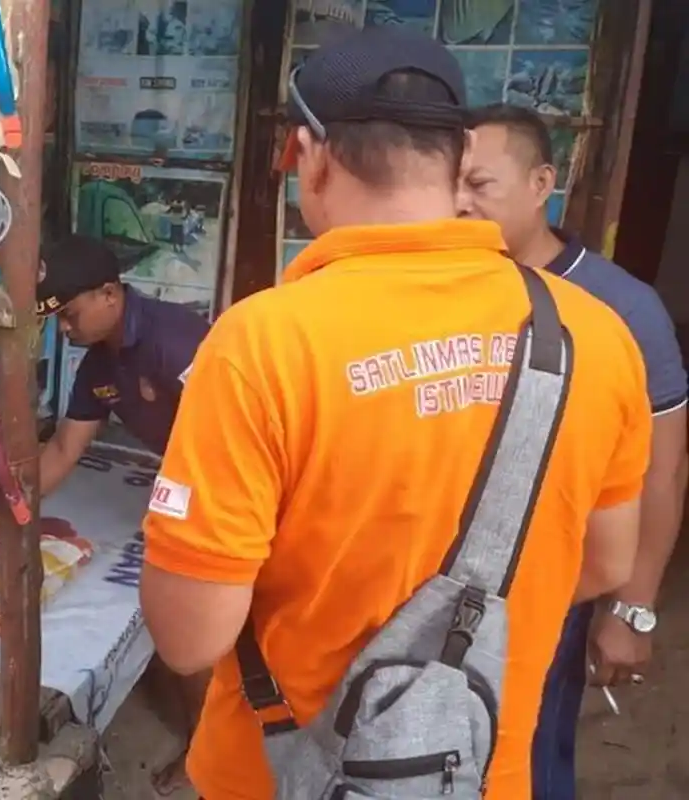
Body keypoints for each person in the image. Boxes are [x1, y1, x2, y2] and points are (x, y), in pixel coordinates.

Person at [139, 26, 650, 800]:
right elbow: (608, 563)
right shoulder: (595, 334)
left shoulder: (262, 343)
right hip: (475, 773)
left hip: (277, 774)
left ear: (309, 154)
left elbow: (189, 638)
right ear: (459, 158)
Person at [460, 103, 689, 799]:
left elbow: (662, 470)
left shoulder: (622, 307)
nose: (460, 203)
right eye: (451, 185)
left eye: (480, 184)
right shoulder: (450, 286)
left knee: (528, 761)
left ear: (541, 184)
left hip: (556, 592)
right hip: (438, 585)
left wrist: (632, 609)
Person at [0, 233, 210, 794]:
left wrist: (187, 511)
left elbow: (231, 436)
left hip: (227, 484)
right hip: (186, 484)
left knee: (193, 619)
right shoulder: (99, 366)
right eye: (56, 320)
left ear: (109, 294)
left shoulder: (175, 340)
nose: (64, 330)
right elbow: (61, 452)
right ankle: (182, 698)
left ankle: (206, 746)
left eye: (70, 315)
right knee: (161, 614)